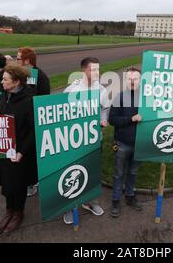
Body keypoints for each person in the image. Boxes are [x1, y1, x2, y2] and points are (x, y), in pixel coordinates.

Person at [62, 57, 110, 224]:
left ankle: (90, 202)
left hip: (95, 139)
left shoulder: (101, 90)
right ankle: (68, 207)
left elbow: (105, 110)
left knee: (92, 171)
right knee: (72, 173)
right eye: (93, 70)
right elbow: (62, 114)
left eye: (98, 69)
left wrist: (104, 121)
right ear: (84, 71)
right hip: (74, 141)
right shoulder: (71, 90)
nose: (97, 73)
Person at [0, 63, 36, 234]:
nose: (2, 82)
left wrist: (21, 152)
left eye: (5, 79)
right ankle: (9, 210)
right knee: (6, 182)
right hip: (3, 149)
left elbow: (32, 131)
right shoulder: (4, 95)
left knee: (18, 184)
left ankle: (18, 213)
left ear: (16, 82)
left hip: (19, 153)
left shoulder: (28, 101)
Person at [108, 67, 143, 218]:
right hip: (122, 143)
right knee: (119, 174)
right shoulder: (119, 97)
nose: (133, 81)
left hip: (140, 143)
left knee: (133, 172)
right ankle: (116, 199)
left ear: (141, 80)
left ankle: (129, 196)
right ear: (125, 80)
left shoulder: (146, 98)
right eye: (129, 78)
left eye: (136, 78)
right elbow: (112, 120)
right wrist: (131, 119)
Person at [16, 47, 50, 197]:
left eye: (18, 58)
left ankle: (34, 181)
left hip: (34, 122)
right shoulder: (20, 75)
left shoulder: (41, 77)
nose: (16, 61)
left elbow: (44, 102)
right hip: (21, 122)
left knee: (32, 153)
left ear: (27, 61)